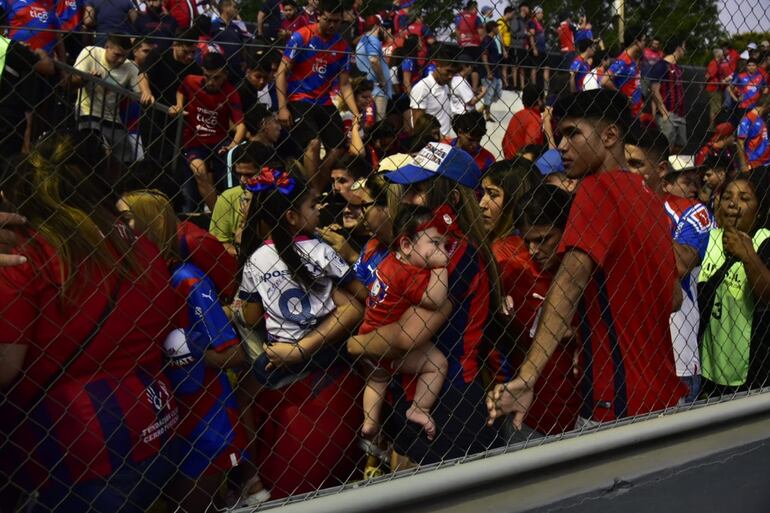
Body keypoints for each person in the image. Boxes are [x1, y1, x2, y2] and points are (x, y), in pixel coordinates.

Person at [0, 133, 182, 512]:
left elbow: (5, 366)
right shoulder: (138, 243)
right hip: (156, 424)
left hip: (76, 445)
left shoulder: (25, 255)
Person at [487, 90, 686, 429]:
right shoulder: (650, 198)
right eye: (560, 134)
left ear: (610, 135)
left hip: (617, 403)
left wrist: (528, 376)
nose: (561, 145)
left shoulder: (595, 189)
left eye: (572, 133)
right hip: (665, 394)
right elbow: (673, 297)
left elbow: (569, 282)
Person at [348, 142, 508, 464]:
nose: (407, 199)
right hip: (412, 390)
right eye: (407, 189)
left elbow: (410, 335)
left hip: (451, 400)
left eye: (418, 190)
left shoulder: (458, 253)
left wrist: (355, 344)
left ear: (453, 197)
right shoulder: (422, 245)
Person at [116, 190, 268, 511]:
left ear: (149, 223)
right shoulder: (136, 280)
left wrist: (196, 350)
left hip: (205, 422)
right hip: (166, 421)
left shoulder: (187, 280)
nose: (118, 226)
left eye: (126, 218)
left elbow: (235, 354)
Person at [235, 167, 366, 497]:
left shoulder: (257, 258)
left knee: (243, 395)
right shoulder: (322, 251)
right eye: (311, 205)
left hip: (280, 360)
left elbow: (250, 315)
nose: (318, 210)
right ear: (292, 217)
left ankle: (248, 476)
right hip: (327, 355)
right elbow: (360, 296)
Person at [626, 122, 714, 403]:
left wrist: (643, 210)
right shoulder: (611, 206)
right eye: (623, 163)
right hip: (624, 361)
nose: (627, 173)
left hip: (677, 363)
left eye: (636, 164)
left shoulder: (693, 212)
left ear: (661, 170)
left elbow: (679, 265)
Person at [490, 178, 582, 436]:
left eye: (543, 239)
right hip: (526, 414)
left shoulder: (586, 271)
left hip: (581, 412)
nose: (534, 250)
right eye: (527, 240)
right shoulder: (509, 269)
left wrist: (579, 333)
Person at [359, 204, 455, 441]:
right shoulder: (412, 273)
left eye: (445, 245)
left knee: (377, 379)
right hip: (392, 346)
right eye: (435, 244)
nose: (442, 250)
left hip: (368, 334)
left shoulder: (390, 261)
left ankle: (370, 422)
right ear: (406, 244)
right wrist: (441, 267)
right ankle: (419, 408)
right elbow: (434, 300)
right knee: (437, 364)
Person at [698, 173, 770, 396]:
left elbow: (767, 295)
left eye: (744, 198)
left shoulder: (764, 241)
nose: (732, 204)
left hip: (752, 367)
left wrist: (748, 256)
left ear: (759, 212)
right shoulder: (706, 238)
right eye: (727, 196)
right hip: (706, 364)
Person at [276, 0, 359, 190]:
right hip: (299, 98)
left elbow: (345, 84)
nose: (331, 25)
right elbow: (281, 73)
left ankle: (316, 190)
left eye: (336, 21)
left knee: (338, 148)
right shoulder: (301, 37)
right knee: (313, 143)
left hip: (324, 100)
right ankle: (312, 194)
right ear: (318, 16)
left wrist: (355, 112)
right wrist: (282, 107)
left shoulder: (342, 46)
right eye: (327, 20)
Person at [170, 51, 246, 212]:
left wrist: (232, 145)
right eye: (207, 76)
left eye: (216, 77)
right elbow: (180, 90)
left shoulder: (231, 92)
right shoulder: (191, 81)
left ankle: (232, 210)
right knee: (199, 171)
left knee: (229, 174)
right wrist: (179, 105)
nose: (211, 82)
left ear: (225, 74)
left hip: (220, 142)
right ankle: (218, 216)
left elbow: (241, 126)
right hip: (194, 142)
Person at [72, 35, 154, 163]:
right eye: (117, 55)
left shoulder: (129, 66)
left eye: (125, 56)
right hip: (87, 112)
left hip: (113, 118)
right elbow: (73, 80)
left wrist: (146, 91)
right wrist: (86, 78)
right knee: (98, 151)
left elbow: (140, 83)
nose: (120, 60)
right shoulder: (91, 52)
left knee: (126, 157)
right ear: (107, 47)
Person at [649, 39, 688, 153]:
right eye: (684, 47)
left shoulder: (678, 68)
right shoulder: (662, 65)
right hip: (668, 113)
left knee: (681, 144)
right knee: (666, 146)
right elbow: (654, 89)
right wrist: (664, 111)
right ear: (678, 48)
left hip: (680, 114)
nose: (685, 50)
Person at [409, 45, 456, 138]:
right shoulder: (423, 87)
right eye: (448, 71)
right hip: (431, 142)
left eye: (453, 73)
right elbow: (417, 123)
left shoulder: (446, 86)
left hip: (445, 140)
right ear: (437, 66)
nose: (451, 76)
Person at [602, 28, 646, 118]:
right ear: (637, 42)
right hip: (627, 113)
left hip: (636, 112)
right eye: (644, 40)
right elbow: (604, 81)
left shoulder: (632, 59)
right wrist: (622, 96)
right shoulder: (623, 60)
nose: (645, 43)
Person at [356, 15, 392, 121]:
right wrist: (383, 81)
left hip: (370, 89)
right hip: (376, 90)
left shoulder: (364, 39)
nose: (385, 32)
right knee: (378, 126)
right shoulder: (373, 39)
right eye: (384, 28)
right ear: (378, 27)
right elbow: (374, 60)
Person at [210, 0, 252, 81]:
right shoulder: (214, 25)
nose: (237, 10)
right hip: (220, 67)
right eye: (234, 7)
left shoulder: (236, 27)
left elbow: (242, 45)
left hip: (237, 68)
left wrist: (244, 61)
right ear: (225, 8)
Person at [502, 84, 543, 159]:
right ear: (539, 100)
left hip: (510, 160)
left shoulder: (517, 115)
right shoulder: (535, 120)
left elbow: (504, 142)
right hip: (522, 165)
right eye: (544, 99)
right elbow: (530, 149)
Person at [454, 0, 483, 92]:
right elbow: (481, 34)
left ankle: (462, 88)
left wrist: (460, 42)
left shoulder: (459, 17)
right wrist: (476, 38)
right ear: (473, 8)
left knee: (464, 67)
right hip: (474, 45)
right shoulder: (476, 18)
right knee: (474, 68)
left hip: (463, 45)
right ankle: (474, 89)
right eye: (476, 8)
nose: (477, 11)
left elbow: (457, 31)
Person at [736, 94, 770, 172]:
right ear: (767, 106)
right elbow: (739, 143)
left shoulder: (762, 118)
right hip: (754, 164)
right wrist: (743, 165)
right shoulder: (748, 120)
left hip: (765, 162)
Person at [480, 21, 503, 122]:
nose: (498, 29)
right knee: (489, 94)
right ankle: (483, 114)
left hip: (496, 71)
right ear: (493, 28)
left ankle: (483, 111)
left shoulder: (493, 40)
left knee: (497, 93)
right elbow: (484, 55)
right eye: (497, 27)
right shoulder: (487, 40)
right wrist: (488, 71)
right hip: (489, 73)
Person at [526, 5, 548, 88]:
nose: (542, 15)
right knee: (534, 67)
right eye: (541, 13)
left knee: (546, 67)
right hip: (536, 49)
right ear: (537, 13)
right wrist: (534, 48)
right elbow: (531, 35)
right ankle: (533, 85)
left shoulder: (540, 23)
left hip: (542, 49)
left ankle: (545, 85)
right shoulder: (532, 22)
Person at [705, 48, 728, 126]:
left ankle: (713, 125)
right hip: (714, 88)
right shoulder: (714, 64)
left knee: (716, 108)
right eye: (722, 54)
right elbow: (709, 75)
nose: (723, 56)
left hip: (717, 87)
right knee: (715, 108)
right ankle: (712, 126)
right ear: (719, 55)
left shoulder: (717, 64)